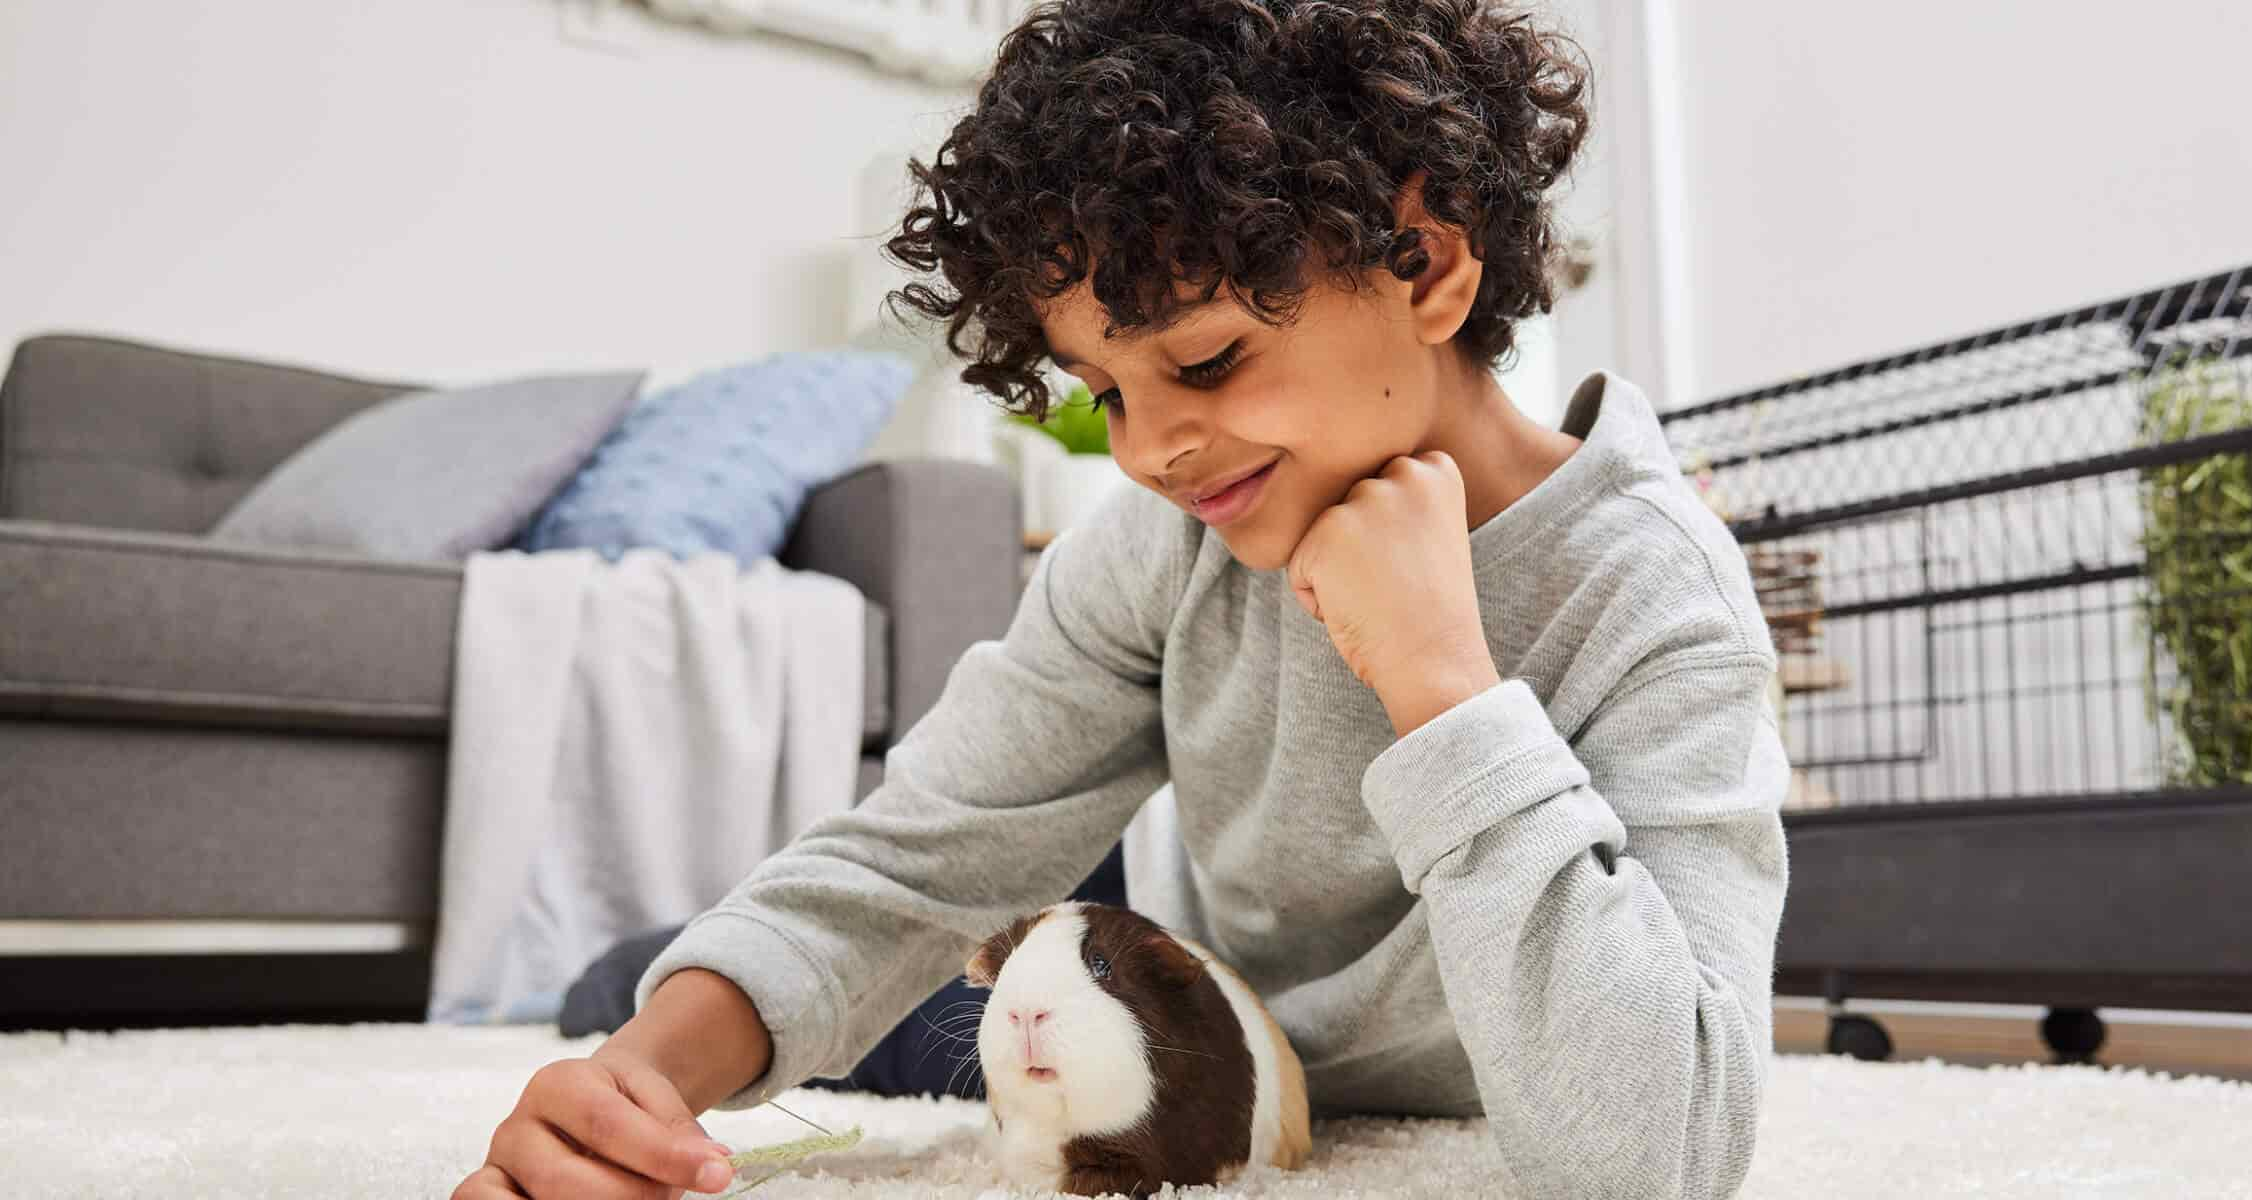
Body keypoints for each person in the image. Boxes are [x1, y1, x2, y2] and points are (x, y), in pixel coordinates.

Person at [454, 2, 1788, 1197]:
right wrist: (637, 1080)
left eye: (1204, 362)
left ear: (1430, 265)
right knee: (678, 983)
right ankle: (608, 977)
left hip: (1183, 978)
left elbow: (1662, 1154)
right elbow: (912, 862)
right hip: (1152, 1005)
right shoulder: (1170, 544)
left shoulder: (1657, 593)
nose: (1147, 453)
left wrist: (1442, 684)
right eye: (1108, 390)